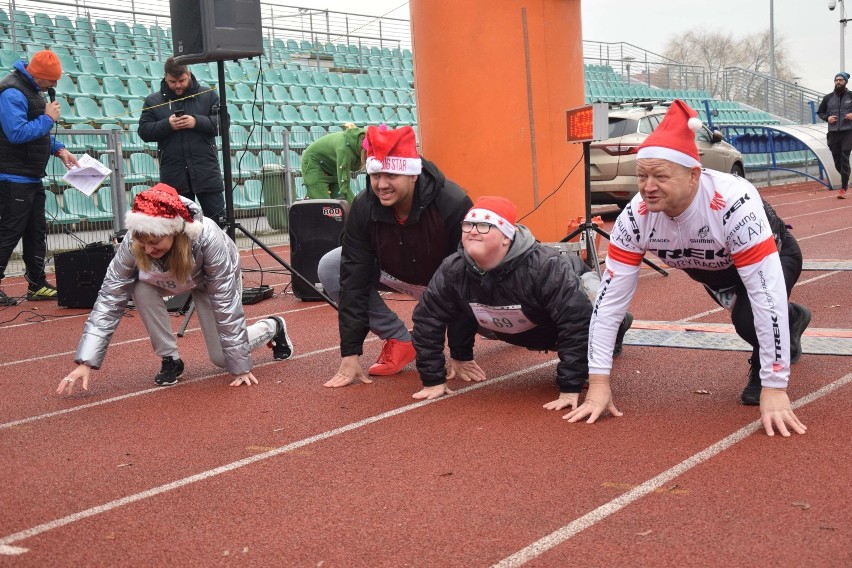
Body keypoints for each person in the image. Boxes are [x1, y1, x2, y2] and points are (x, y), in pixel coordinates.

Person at [564, 100, 812, 437]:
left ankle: (776, 340)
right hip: (714, 269)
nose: (647, 186)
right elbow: (609, 303)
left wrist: (775, 386)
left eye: (660, 176)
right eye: (642, 175)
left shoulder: (733, 204)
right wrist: (598, 382)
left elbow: (765, 295)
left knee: (751, 318)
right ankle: (793, 318)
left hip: (775, 255)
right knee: (750, 314)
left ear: (694, 175)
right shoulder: (635, 217)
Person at [56, 183, 294, 394]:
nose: (148, 250)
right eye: (143, 243)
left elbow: (226, 304)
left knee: (222, 359)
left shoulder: (209, 239)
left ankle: (273, 326)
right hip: (168, 277)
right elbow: (110, 297)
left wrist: (241, 366)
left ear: (175, 232)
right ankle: (170, 359)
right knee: (139, 287)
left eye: (155, 242)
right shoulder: (133, 242)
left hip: (210, 280)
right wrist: (86, 361)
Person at [410, 196, 633, 408]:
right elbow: (428, 317)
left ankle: (619, 323)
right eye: (468, 225)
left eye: (485, 226)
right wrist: (438, 375)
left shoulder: (545, 267)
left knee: (594, 306)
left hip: (555, 322)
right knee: (460, 295)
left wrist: (570, 385)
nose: (473, 231)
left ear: (507, 236)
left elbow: (576, 322)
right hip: (509, 321)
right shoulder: (453, 268)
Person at [318, 124, 472, 387]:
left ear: (413, 175)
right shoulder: (364, 206)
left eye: (392, 175)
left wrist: (461, 353)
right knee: (332, 265)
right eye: (376, 175)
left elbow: (465, 276)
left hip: (445, 283)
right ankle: (399, 339)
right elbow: (354, 276)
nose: (382, 185)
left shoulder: (452, 202)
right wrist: (350, 352)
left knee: (498, 326)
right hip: (396, 273)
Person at [0, 50, 79, 306]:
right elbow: (17, 133)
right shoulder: (11, 92)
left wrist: (59, 149)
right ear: (37, 75)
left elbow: (38, 131)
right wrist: (48, 118)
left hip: (31, 176)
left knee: (36, 232)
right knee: (9, 232)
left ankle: (37, 283)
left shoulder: (34, 90)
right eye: (51, 80)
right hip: (12, 176)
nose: (54, 85)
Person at [138, 57, 226, 222]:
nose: (177, 85)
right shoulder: (153, 101)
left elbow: (223, 123)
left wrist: (196, 121)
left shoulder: (208, 95)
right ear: (165, 77)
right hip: (173, 176)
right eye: (172, 81)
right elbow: (144, 131)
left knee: (218, 222)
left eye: (181, 80)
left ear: (189, 74)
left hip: (206, 172)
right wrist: (168, 124)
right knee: (179, 229)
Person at [301, 123, 366, 202]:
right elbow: (345, 189)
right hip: (314, 163)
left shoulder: (360, 144)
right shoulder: (344, 150)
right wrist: (357, 209)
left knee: (340, 203)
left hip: (332, 166)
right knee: (323, 204)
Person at [816, 72, 852, 199]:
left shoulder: (851, 96)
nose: (838, 82)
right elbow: (820, 112)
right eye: (836, 80)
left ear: (845, 82)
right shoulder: (828, 98)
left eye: (841, 80)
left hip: (848, 132)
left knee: (844, 156)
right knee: (837, 161)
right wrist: (828, 118)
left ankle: (843, 188)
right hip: (833, 133)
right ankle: (846, 179)